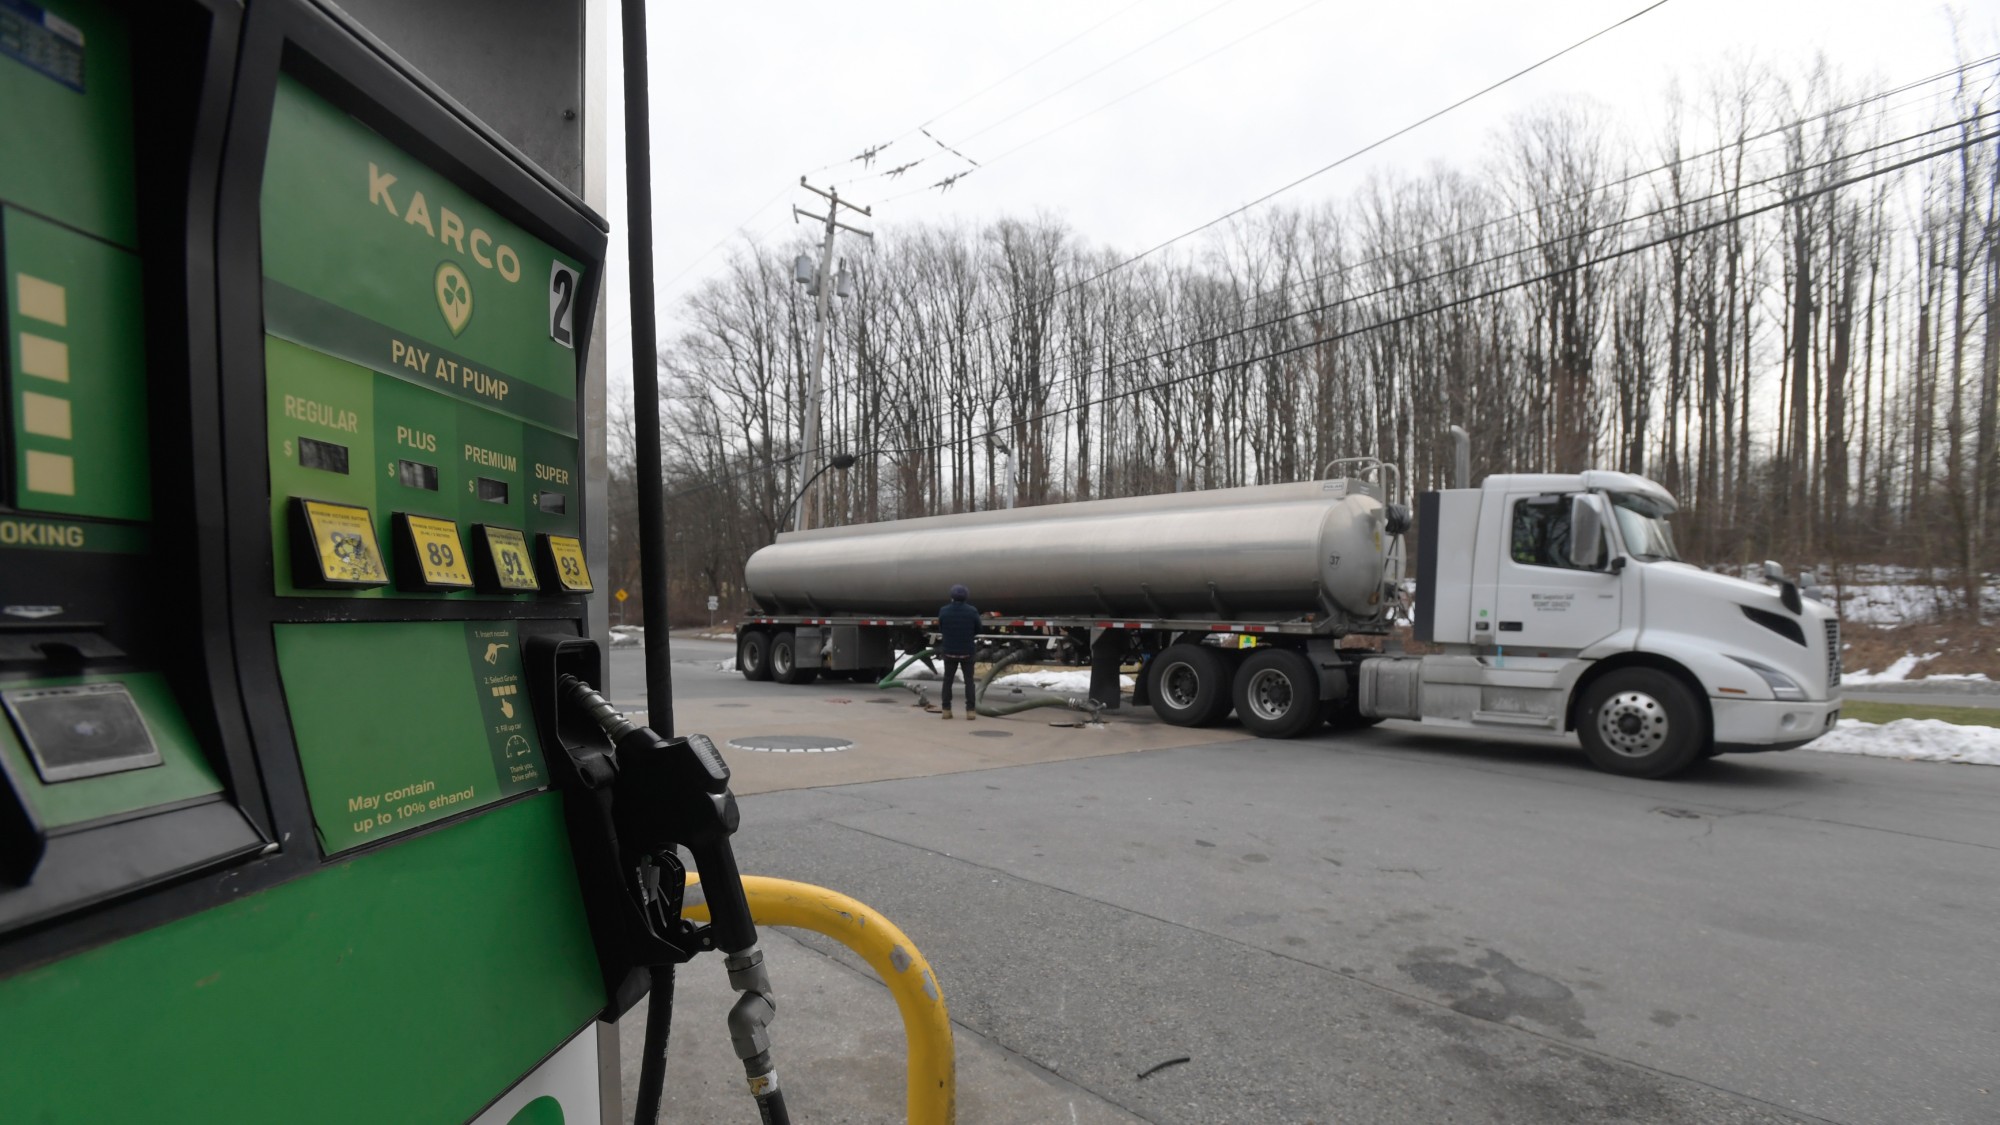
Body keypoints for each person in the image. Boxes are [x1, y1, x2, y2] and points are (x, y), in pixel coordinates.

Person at [937, 584, 980, 720]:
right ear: (966, 597)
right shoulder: (972, 611)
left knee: (948, 681)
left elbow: (941, 628)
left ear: (951, 597)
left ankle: (946, 710)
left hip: (949, 651)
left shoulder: (944, 611)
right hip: (967, 652)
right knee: (969, 681)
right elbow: (978, 629)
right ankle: (970, 711)